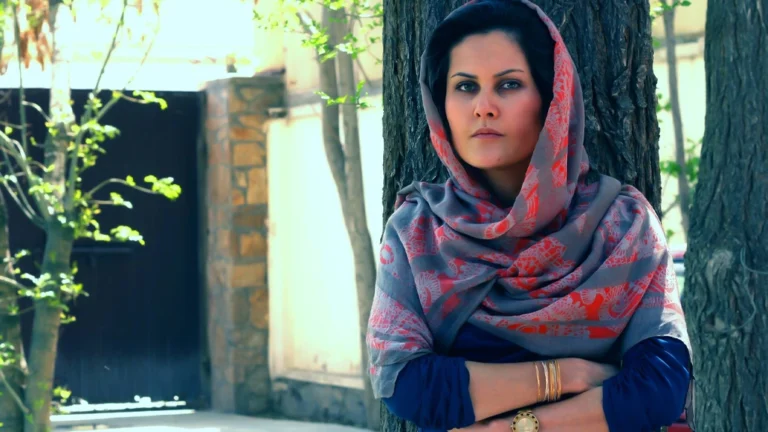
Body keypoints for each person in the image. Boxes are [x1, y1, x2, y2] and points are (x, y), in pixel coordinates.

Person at [366, 1, 694, 431]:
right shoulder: (418, 232)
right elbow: (405, 384)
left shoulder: (622, 223)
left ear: (551, 97)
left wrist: (508, 428)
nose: (483, 107)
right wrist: (565, 376)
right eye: (465, 86)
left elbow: (661, 386)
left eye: (509, 85)